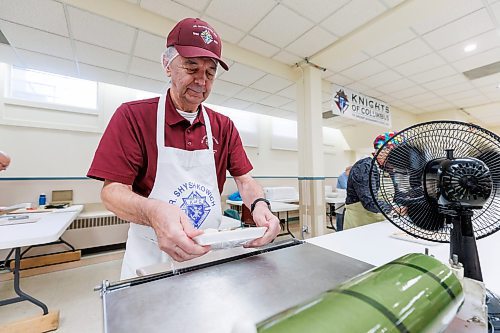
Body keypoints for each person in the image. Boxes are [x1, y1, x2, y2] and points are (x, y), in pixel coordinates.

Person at [87, 18, 280, 279]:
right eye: (191, 67)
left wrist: (260, 205)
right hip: (151, 258)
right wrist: (153, 212)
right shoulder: (133, 117)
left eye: (210, 73)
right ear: (167, 64)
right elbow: (112, 193)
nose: (201, 81)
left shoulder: (223, 126)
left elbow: (245, 181)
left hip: (207, 255)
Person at [343, 132, 398, 230]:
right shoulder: (365, 167)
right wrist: (393, 208)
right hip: (359, 225)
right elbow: (369, 201)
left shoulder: (388, 169)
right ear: (382, 151)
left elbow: (397, 193)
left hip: (378, 223)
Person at [335, 165, 351, 231]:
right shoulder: (342, 176)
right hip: (340, 198)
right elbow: (345, 186)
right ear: (347, 170)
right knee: (340, 215)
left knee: (344, 215)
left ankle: (342, 230)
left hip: (345, 197)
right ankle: (339, 230)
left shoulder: (348, 177)